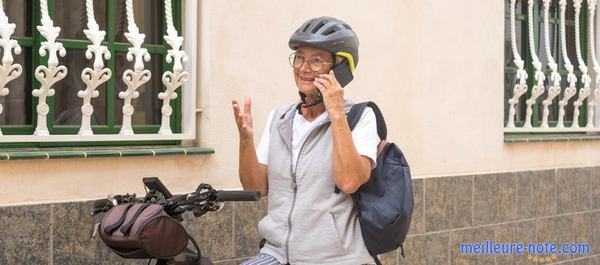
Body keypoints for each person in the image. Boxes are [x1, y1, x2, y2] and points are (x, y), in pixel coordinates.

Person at [232, 16, 379, 265]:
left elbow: (350, 181)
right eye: (299, 57)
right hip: (276, 254)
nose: (303, 68)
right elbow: (255, 188)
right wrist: (246, 139)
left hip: (336, 259)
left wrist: (336, 114)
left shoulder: (360, 117)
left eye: (316, 60)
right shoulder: (280, 119)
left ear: (341, 69)